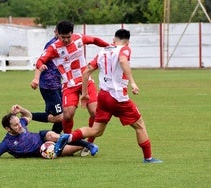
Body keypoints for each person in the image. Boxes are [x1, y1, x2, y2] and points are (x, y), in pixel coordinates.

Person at [54, 29, 163, 163]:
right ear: (127, 42)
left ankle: (68, 137)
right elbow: (123, 61)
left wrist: (85, 94)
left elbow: (86, 72)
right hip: (118, 98)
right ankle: (148, 158)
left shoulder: (103, 52)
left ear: (113, 40)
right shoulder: (125, 49)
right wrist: (133, 83)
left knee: (96, 130)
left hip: (103, 97)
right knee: (140, 125)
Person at [36, 20, 110, 155]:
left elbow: (94, 40)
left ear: (72, 33)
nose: (65, 40)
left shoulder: (79, 39)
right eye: (62, 37)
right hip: (69, 85)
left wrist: (109, 46)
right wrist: (40, 65)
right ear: (57, 34)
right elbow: (40, 60)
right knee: (68, 116)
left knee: (95, 112)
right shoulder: (53, 48)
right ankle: (68, 140)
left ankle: (89, 142)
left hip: (86, 81)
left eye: (68, 37)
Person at [0, 104, 98, 161]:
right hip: (43, 150)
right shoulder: (7, 143)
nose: (20, 126)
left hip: (42, 137)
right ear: (7, 129)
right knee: (73, 149)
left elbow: (29, 116)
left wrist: (21, 109)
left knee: (53, 135)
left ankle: (89, 145)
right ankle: (84, 144)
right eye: (15, 125)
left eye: (19, 122)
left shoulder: (21, 123)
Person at [30, 27, 63, 134]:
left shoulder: (66, 44)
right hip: (49, 85)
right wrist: (36, 78)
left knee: (64, 114)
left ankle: (53, 142)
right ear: (56, 32)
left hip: (58, 84)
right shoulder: (51, 45)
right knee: (60, 117)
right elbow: (40, 61)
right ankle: (28, 115)